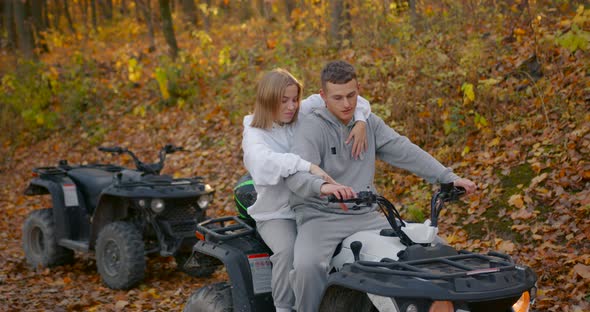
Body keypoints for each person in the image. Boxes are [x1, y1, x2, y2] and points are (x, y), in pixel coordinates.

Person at [284, 60, 477, 312]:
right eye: (338, 97)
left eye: (352, 95)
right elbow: (296, 176)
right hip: (321, 218)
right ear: (323, 96)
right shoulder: (311, 127)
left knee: (435, 248)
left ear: (359, 90)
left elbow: (404, 149)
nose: (346, 104)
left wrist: (447, 176)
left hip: (366, 215)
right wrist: (322, 187)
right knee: (308, 267)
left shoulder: (368, 123)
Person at [241, 68, 372, 312]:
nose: (292, 106)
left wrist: (362, 120)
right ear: (268, 100)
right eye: (284, 101)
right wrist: (308, 166)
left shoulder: (301, 112)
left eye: (294, 99)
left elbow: (348, 98)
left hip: (314, 205)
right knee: (288, 250)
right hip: (279, 213)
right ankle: (284, 307)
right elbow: (262, 163)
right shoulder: (254, 133)